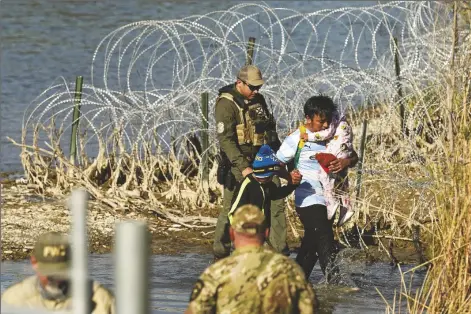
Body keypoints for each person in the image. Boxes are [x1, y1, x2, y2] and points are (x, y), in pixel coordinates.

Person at [214, 64, 293, 260]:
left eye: (259, 87)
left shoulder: (258, 100)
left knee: (276, 203)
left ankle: (279, 252)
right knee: (232, 208)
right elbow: (226, 141)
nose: (256, 91)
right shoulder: (226, 104)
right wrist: (244, 168)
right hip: (237, 166)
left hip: (263, 162)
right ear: (239, 83)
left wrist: (281, 159)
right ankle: (221, 253)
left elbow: (269, 131)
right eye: (252, 87)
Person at [276, 95, 358, 282]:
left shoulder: (333, 134)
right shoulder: (297, 138)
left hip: (329, 196)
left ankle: (295, 282)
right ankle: (335, 284)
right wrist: (289, 177)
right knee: (324, 236)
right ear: (308, 118)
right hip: (308, 196)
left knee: (311, 244)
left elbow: (353, 157)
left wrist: (345, 161)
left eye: (328, 121)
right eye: (321, 121)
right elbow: (275, 164)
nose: (325, 125)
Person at [185, 204, 317, 314]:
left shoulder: (216, 273)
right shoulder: (290, 270)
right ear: (266, 232)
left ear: (231, 233)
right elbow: (309, 309)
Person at [1, 231, 115, 314]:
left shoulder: (101, 299)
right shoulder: (13, 300)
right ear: (34, 262)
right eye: (48, 271)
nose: (55, 278)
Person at [228, 144, 301, 229]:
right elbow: (233, 213)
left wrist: (292, 185)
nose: (274, 177)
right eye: (273, 175)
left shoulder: (267, 184)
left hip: (260, 231)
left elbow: (277, 194)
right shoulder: (247, 185)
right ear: (266, 175)